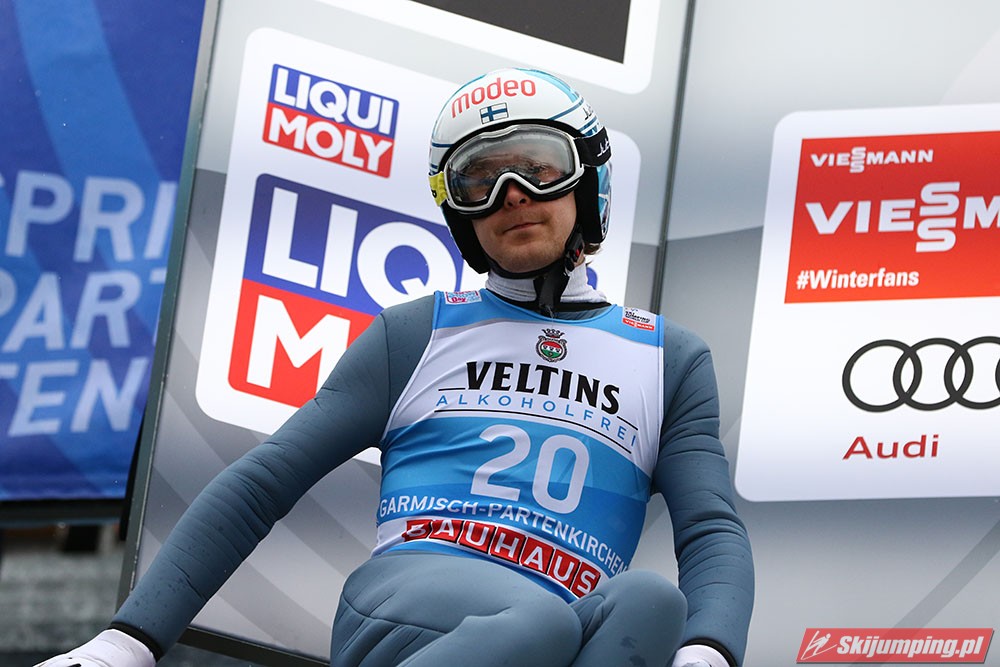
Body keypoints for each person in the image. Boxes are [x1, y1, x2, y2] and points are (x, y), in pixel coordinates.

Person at [36, 67, 753, 667]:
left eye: (539, 167)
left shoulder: (670, 359)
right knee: (539, 619)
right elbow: (262, 483)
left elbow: (712, 532)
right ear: (459, 213)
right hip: (406, 608)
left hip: (558, 633)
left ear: (586, 179)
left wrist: (708, 653)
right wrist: (123, 645)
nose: (511, 194)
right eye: (479, 178)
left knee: (652, 603)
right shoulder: (415, 332)